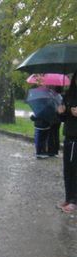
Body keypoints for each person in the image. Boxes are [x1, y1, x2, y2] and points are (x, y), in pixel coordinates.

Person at [57, 72, 77, 213]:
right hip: (69, 135)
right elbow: (64, 118)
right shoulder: (69, 95)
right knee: (67, 169)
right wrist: (61, 112)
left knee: (75, 169)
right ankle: (68, 197)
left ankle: (74, 201)